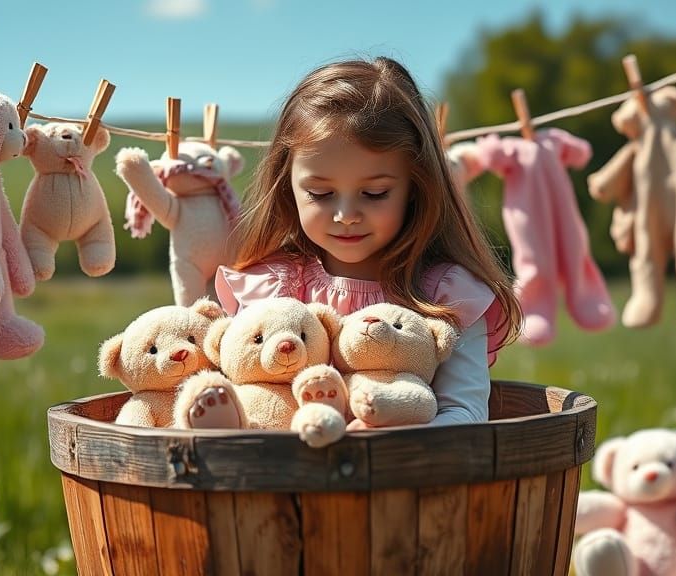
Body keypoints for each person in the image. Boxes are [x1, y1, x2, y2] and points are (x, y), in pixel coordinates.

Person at [215, 56, 522, 426]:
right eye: (320, 193)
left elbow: (465, 412)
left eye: (375, 193)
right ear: (287, 185)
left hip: (407, 477)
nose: (346, 215)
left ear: (415, 186)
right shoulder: (268, 288)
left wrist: (384, 450)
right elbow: (242, 395)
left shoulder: (448, 296)